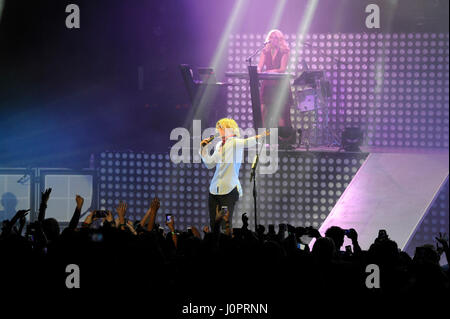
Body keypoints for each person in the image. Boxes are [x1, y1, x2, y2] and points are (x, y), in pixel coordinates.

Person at [199, 118, 267, 230]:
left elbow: (246, 142)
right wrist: (204, 149)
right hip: (214, 190)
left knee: (225, 223)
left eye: (221, 128)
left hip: (229, 190)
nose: (219, 131)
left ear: (230, 129)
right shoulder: (219, 145)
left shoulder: (235, 142)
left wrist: (260, 137)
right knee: (213, 222)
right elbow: (210, 164)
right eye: (218, 128)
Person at [257, 29, 294, 133]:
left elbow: (282, 69)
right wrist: (258, 70)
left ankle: (282, 139)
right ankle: (263, 137)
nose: (273, 40)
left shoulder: (285, 51)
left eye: (276, 38)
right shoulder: (265, 51)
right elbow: (260, 66)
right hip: (267, 84)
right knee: (263, 110)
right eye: (271, 38)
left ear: (280, 40)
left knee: (280, 112)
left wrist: (269, 71)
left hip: (280, 85)